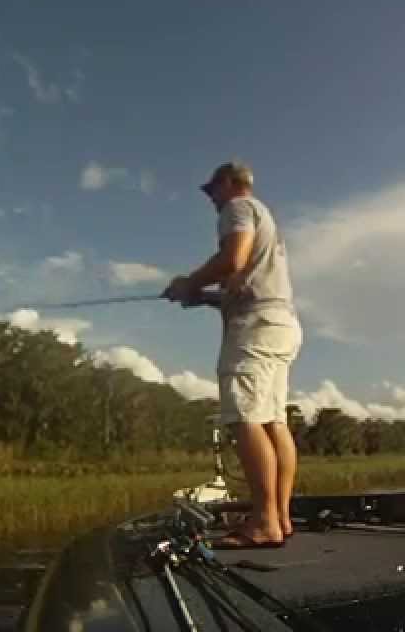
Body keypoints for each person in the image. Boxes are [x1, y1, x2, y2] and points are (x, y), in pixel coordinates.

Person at [164, 161, 303, 549]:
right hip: (279, 324)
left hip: (255, 330)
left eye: (212, 190)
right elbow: (241, 286)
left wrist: (187, 282)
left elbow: (233, 261)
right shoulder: (265, 218)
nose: (211, 198)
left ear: (229, 183)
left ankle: (263, 522)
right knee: (274, 420)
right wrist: (200, 297)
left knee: (245, 417)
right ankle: (280, 517)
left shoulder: (238, 209)